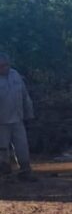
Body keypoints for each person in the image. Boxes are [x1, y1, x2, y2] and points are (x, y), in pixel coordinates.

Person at [0, 52, 37, 181]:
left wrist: (29, 114)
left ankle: (26, 171)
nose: (4, 68)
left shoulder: (15, 75)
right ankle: (5, 175)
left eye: (6, 65)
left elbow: (25, 96)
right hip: (2, 121)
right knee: (2, 149)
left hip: (18, 119)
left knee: (22, 145)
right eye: (1, 66)